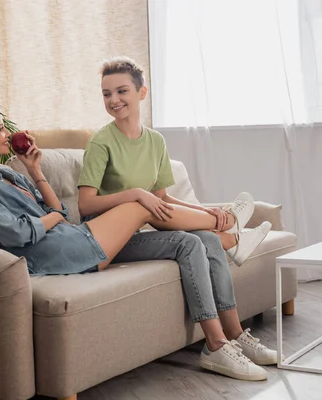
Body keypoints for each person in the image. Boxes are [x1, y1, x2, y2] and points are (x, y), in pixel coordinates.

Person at [0, 96, 274, 382]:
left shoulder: (6, 172)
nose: (7, 133)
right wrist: (53, 218)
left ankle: (227, 336)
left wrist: (35, 171)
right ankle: (228, 226)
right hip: (55, 253)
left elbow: (57, 211)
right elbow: (18, 232)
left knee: (193, 242)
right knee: (140, 201)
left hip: (73, 238)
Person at [77, 56, 276, 381]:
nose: (113, 100)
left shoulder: (155, 141)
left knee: (209, 239)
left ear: (142, 93)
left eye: (122, 91)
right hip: (112, 240)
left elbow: (165, 198)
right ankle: (234, 242)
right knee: (191, 242)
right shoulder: (101, 143)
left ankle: (235, 336)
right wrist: (135, 194)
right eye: (106, 94)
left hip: (145, 231)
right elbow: (86, 204)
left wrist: (206, 212)